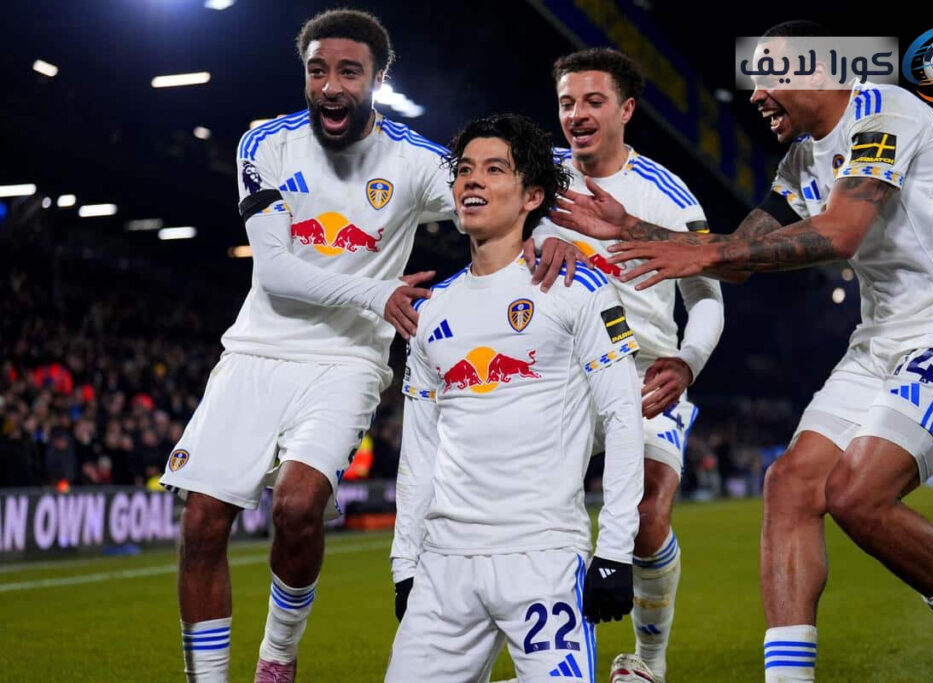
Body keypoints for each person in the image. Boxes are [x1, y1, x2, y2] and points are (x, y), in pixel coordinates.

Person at [551, 20, 933, 683]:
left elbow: (842, 232)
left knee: (856, 494)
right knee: (790, 484)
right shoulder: (799, 162)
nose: (755, 96)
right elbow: (739, 257)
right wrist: (633, 226)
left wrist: (701, 252)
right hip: (879, 340)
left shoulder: (885, 111)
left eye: (767, 78)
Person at [159, 9, 579, 682]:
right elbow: (276, 271)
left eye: (349, 72)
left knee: (298, 505)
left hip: (348, 360)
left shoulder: (413, 161)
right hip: (256, 351)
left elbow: (508, 181)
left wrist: (553, 228)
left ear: (378, 78)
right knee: (203, 522)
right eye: (318, 70)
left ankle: (277, 657)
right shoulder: (265, 144)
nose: (331, 85)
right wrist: (375, 293)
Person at [386, 113, 644, 682]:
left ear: (532, 195)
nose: (472, 181)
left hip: (543, 556)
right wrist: (405, 560)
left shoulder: (577, 288)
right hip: (444, 564)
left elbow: (624, 416)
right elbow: (419, 449)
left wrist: (615, 549)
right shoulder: (430, 311)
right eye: (464, 170)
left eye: (494, 169)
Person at [528, 47, 724, 683]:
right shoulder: (534, 178)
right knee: (530, 517)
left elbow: (707, 298)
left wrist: (687, 361)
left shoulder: (665, 194)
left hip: (643, 372)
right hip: (551, 371)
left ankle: (647, 663)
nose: (577, 115)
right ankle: (549, 662)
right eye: (566, 103)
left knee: (645, 516)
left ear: (627, 109)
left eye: (593, 101)